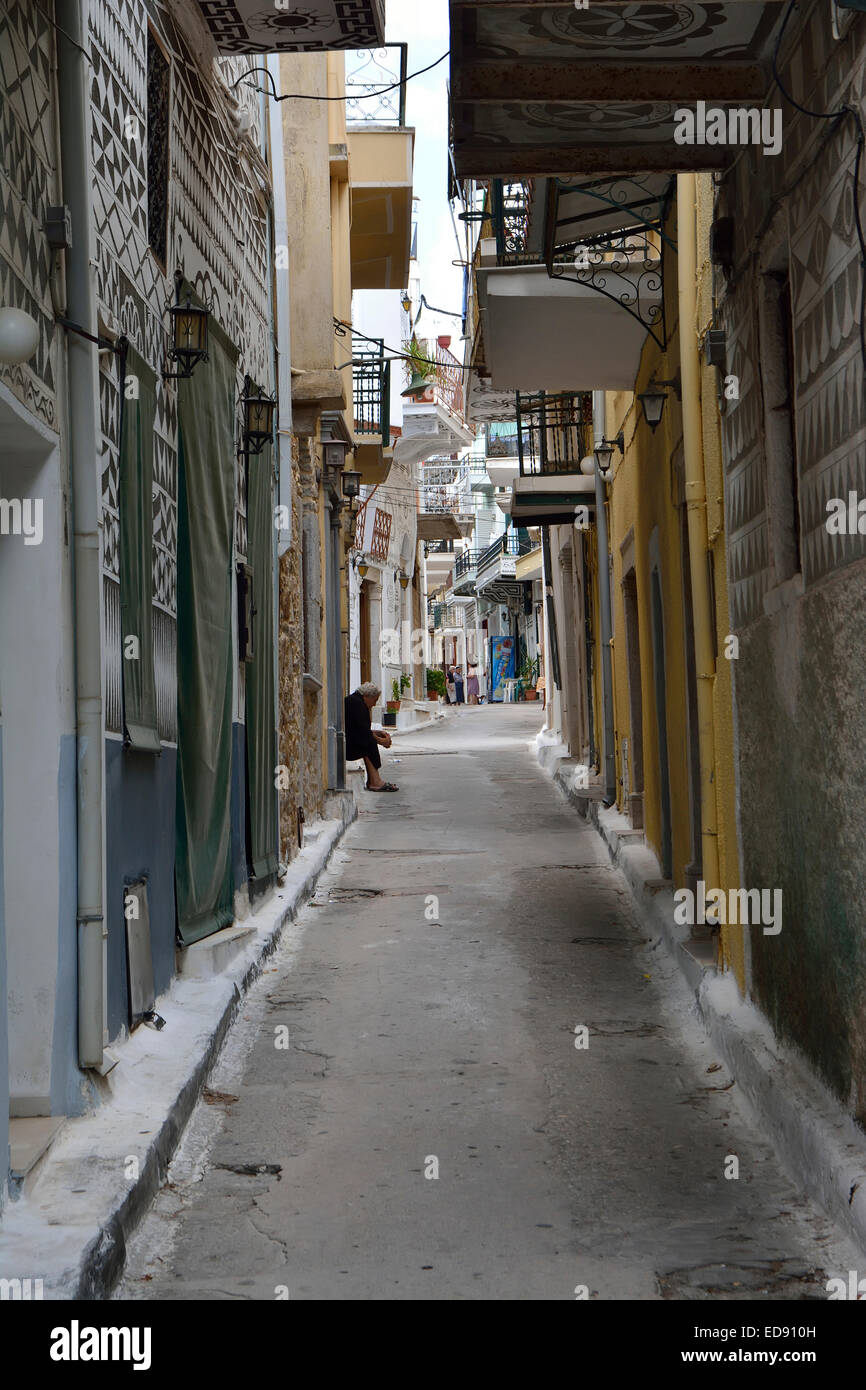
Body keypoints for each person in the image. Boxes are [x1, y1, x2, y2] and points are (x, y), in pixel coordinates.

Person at [344, 682, 398, 792]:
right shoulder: (357, 704)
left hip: (348, 741)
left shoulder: (356, 701)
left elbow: (361, 729)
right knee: (368, 743)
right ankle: (375, 782)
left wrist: (379, 733)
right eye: (374, 700)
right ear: (367, 696)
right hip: (347, 746)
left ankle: (373, 780)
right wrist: (382, 741)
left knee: (368, 740)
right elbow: (363, 732)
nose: (374, 704)